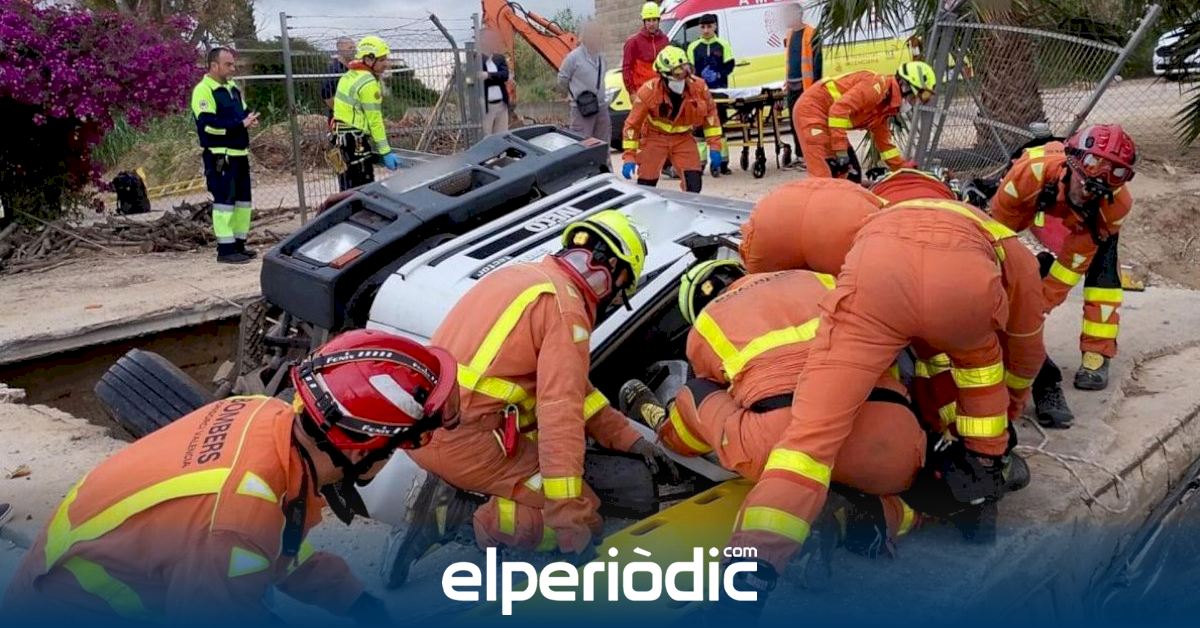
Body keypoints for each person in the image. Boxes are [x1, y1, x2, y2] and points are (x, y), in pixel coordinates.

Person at [2, 330, 460, 622]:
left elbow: (281, 548)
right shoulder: (237, 521)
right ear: (361, 448)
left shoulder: (261, 417)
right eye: (402, 444)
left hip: (83, 571)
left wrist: (358, 602)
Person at [723, 195, 1045, 600]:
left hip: (879, 278)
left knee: (807, 444)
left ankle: (749, 574)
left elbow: (836, 275)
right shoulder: (1006, 243)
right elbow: (1026, 349)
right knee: (980, 374)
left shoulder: (875, 217)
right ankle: (981, 483)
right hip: (964, 291)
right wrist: (1009, 411)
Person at [380, 210, 674, 587]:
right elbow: (561, 417)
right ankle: (453, 515)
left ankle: (450, 491)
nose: (615, 299)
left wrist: (631, 439)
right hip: (467, 443)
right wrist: (568, 520)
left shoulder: (523, 277)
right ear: (613, 271)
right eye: (622, 289)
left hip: (427, 428)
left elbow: (576, 394)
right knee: (588, 518)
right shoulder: (567, 310)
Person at [620, 260, 926, 557]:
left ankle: (668, 430)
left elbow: (716, 391)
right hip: (890, 442)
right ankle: (877, 516)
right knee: (889, 480)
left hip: (782, 447)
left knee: (697, 391)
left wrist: (673, 431)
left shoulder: (706, 324)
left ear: (694, 307)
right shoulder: (819, 280)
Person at [989, 124, 1137, 428]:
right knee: (1000, 266)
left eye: (1097, 190)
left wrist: (1034, 309)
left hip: (1087, 227)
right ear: (1071, 165)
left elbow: (1071, 265)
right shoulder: (1028, 173)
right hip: (1033, 195)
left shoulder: (1115, 205)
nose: (1087, 193)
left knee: (1103, 276)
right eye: (1084, 184)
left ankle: (1098, 352)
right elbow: (998, 237)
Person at [793, 61, 935, 179]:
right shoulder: (876, 87)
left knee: (852, 176)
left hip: (828, 119)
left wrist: (902, 167)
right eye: (914, 98)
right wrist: (840, 151)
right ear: (904, 86)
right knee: (824, 176)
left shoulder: (884, 108)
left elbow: (884, 143)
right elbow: (838, 110)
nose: (913, 103)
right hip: (812, 110)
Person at [621, 46, 723, 193]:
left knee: (693, 184)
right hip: (655, 138)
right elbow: (632, 125)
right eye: (678, 72)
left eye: (686, 69)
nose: (683, 76)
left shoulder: (699, 87)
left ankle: (687, 207)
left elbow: (711, 116)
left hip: (683, 138)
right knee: (647, 184)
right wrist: (629, 156)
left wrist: (714, 146)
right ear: (664, 74)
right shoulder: (649, 91)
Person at [191, 47, 259, 265]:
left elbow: (243, 113)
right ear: (214, 66)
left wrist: (249, 119)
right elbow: (208, 126)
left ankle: (239, 244)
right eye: (228, 64)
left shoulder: (232, 88)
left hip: (240, 154)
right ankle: (226, 249)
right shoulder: (204, 90)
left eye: (233, 64)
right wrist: (239, 125)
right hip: (221, 156)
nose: (233, 68)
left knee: (242, 203)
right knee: (224, 204)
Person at [332, 36, 403, 191]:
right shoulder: (368, 82)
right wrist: (386, 151)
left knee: (347, 189)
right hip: (355, 141)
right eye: (382, 59)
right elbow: (374, 120)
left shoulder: (349, 75)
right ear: (369, 59)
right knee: (363, 189)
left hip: (340, 139)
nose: (386, 64)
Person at [687, 13, 734, 175]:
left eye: (709, 26)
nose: (706, 30)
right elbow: (689, 70)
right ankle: (700, 164)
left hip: (719, 93)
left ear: (715, 26)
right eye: (703, 27)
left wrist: (719, 74)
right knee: (699, 129)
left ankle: (722, 163)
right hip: (699, 94)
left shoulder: (723, 45)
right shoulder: (693, 47)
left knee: (719, 128)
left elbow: (730, 65)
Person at [558, 20, 611, 142]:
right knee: (582, 144)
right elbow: (562, 79)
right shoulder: (573, 58)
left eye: (598, 34)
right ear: (586, 36)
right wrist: (572, 95)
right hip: (581, 110)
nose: (597, 37)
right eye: (593, 34)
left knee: (603, 144)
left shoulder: (602, 57)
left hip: (601, 108)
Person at [783, 3, 820, 167]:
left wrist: (816, 88)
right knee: (794, 122)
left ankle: (811, 156)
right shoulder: (790, 34)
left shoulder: (811, 33)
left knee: (807, 123)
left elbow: (818, 63)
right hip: (792, 86)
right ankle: (800, 155)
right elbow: (790, 60)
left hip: (807, 87)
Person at [622, 2, 670, 98]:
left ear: (658, 20)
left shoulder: (665, 40)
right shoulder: (633, 42)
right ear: (644, 21)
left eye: (654, 20)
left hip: (662, 92)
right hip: (642, 93)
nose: (651, 24)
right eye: (648, 20)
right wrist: (632, 92)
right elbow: (626, 69)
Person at [479, 29, 512, 136]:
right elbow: (476, 77)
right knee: (486, 135)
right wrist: (496, 76)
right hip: (486, 105)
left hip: (501, 104)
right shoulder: (477, 59)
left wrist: (488, 75)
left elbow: (505, 75)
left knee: (502, 135)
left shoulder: (499, 58)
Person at [321, 37, 356, 117]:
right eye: (350, 48)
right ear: (340, 50)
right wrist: (342, 111)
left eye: (354, 48)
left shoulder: (353, 68)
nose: (353, 50)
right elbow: (326, 95)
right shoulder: (334, 70)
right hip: (340, 117)